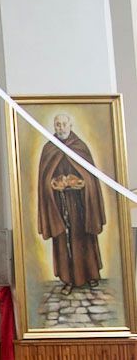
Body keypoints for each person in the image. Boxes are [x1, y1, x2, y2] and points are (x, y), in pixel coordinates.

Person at [37, 113, 106, 290]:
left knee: (83, 238)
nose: (61, 128)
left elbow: (90, 178)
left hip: (80, 204)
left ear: (70, 125)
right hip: (59, 204)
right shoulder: (49, 149)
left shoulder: (80, 147)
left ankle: (90, 275)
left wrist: (80, 182)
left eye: (64, 124)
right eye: (57, 124)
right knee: (62, 240)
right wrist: (54, 183)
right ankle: (67, 280)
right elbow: (44, 180)